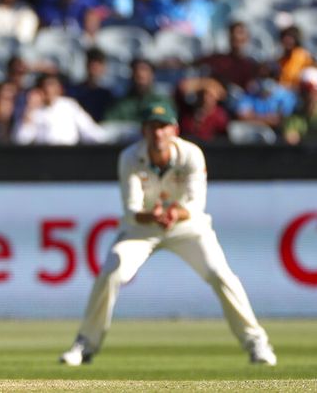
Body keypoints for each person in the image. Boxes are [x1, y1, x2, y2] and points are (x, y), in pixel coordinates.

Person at [59, 100, 277, 367]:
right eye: (152, 127)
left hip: (188, 227)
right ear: (144, 131)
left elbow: (196, 204)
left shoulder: (191, 154)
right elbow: (131, 209)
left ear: (174, 130)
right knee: (112, 271)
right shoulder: (130, 157)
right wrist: (153, 216)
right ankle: (85, 345)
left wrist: (173, 214)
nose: (158, 133)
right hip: (141, 228)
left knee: (221, 275)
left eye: (163, 127)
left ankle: (257, 343)